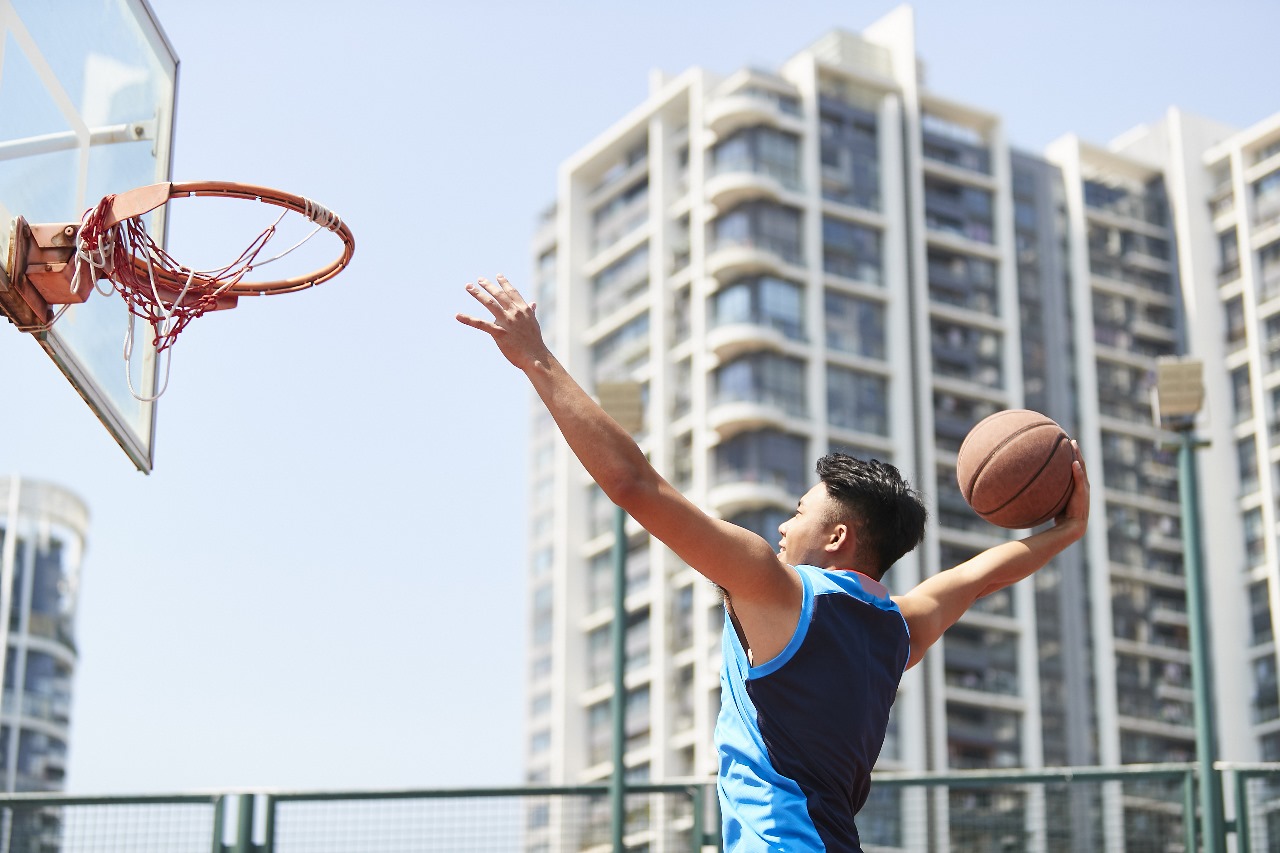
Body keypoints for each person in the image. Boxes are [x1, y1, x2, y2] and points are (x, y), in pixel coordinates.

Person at [457, 275, 1090, 852]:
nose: (784, 525)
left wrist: (536, 359)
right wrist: (1068, 530)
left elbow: (635, 486)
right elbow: (979, 579)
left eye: (800, 511)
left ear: (838, 536)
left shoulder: (778, 589)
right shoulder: (895, 631)